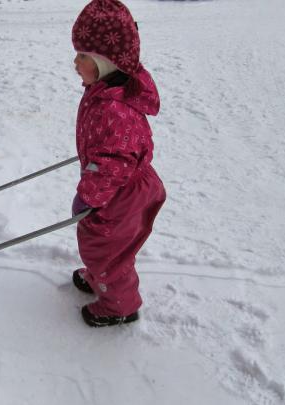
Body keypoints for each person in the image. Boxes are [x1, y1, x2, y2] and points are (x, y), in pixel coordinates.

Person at [70, 0, 166, 327]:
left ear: (105, 62)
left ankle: (119, 305)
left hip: (121, 193)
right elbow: (111, 148)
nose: (75, 63)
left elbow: (115, 161)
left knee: (108, 251)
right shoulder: (105, 91)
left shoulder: (115, 109)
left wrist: (89, 195)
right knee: (101, 244)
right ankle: (101, 275)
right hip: (116, 184)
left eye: (83, 56)